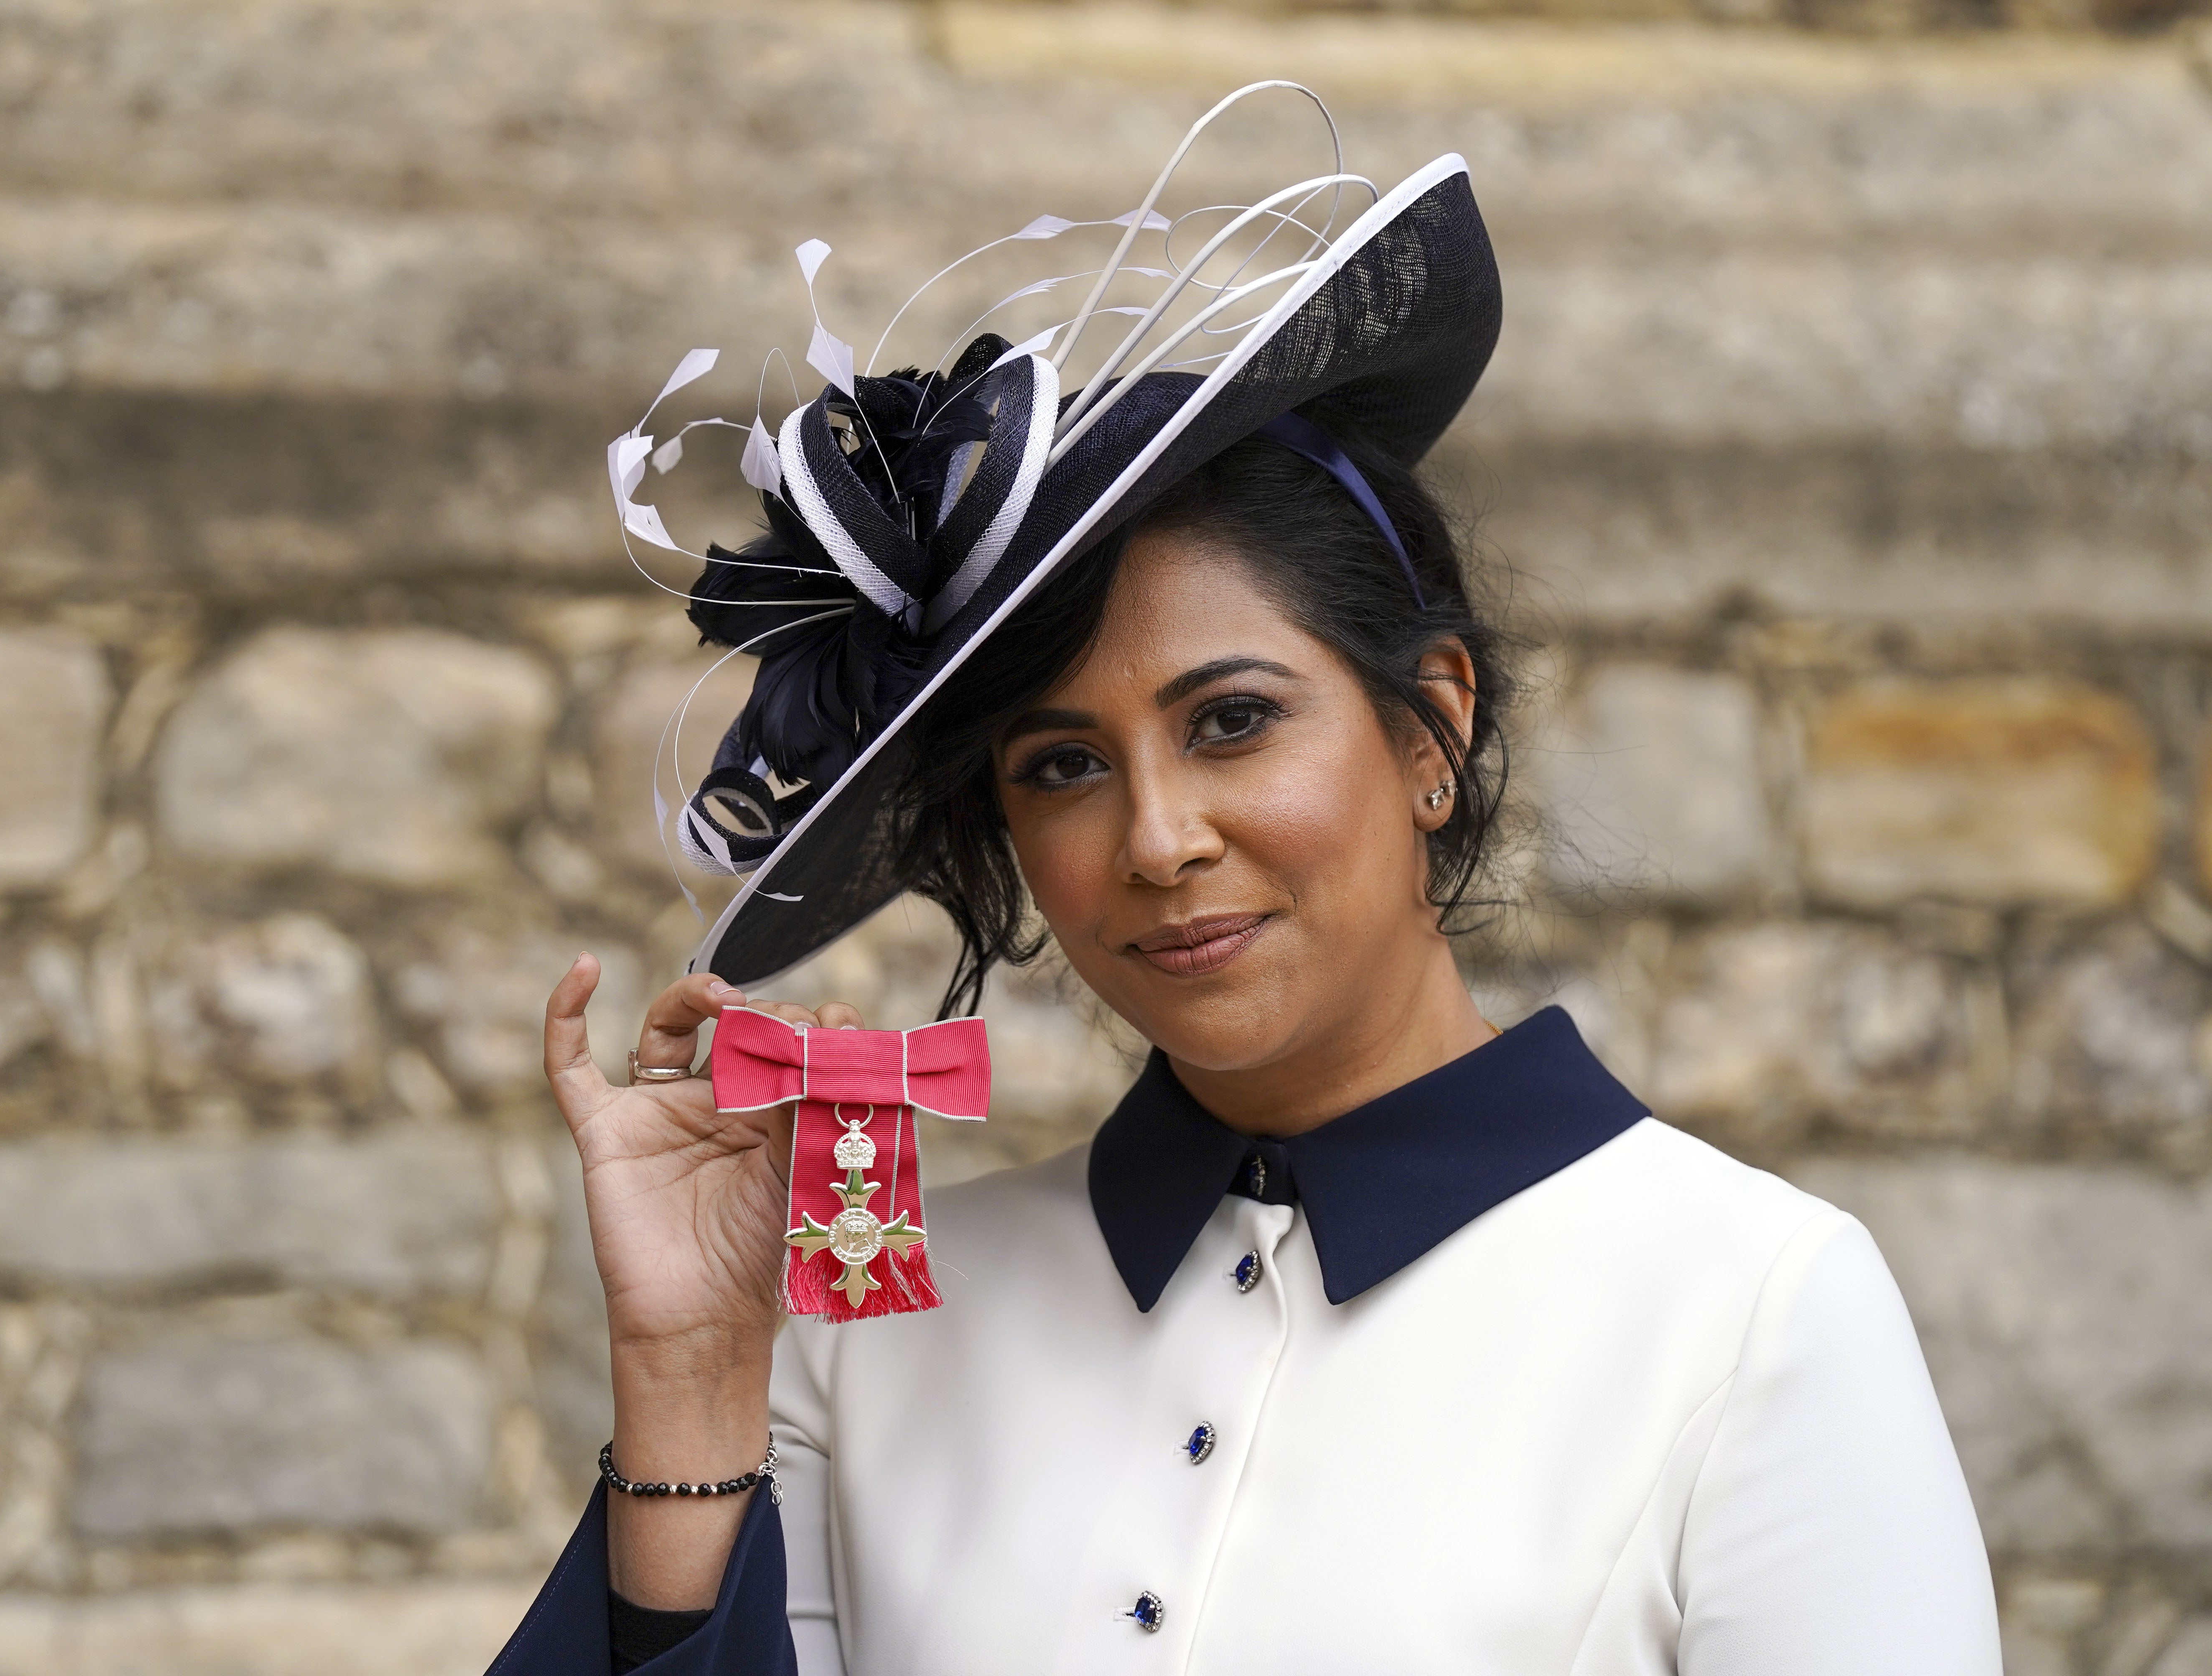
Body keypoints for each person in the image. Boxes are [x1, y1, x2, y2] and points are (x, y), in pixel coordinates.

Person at [488, 88, 2003, 1675]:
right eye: (1061, 764)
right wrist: (689, 1375)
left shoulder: (1753, 1308)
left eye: (1233, 722)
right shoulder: (876, 1339)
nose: (1157, 839)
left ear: (1434, 722)